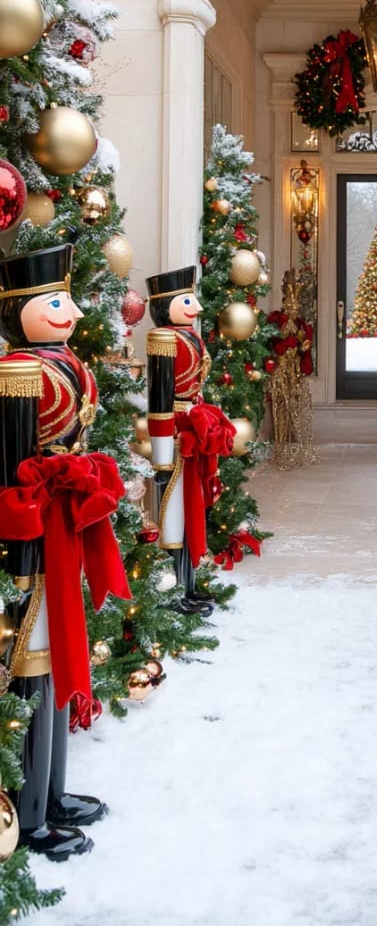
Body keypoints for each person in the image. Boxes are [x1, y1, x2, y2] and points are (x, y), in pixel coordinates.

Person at [0, 243, 130, 860]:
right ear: (20, 306)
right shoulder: (19, 373)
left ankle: (52, 795)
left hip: (65, 520)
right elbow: (14, 471)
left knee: (53, 656)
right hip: (34, 538)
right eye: (55, 301)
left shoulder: (63, 363)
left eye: (69, 299)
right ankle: (28, 816)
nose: (72, 312)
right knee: (33, 660)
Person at [146, 266, 235, 615]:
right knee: (174, 510)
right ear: (166, 304)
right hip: (178, 433)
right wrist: (164, 452)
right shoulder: (164, 339)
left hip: (194, 428)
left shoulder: (190, 337)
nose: (196, 307)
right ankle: (175, 591)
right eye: (187, 300)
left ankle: (190, 584)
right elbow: (159, 400)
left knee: (191, 507)